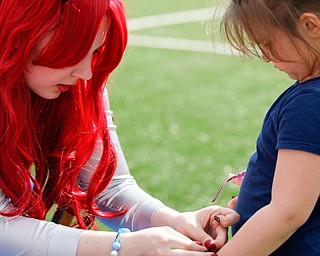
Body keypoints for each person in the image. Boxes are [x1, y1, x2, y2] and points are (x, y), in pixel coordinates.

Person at [0, 0, 240, 255]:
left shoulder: (80, 87)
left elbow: (109, 186)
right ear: (24, 32)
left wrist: (174, 221)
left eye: (95, 52)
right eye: (75, 50)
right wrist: (121, 247)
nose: (86, 73)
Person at [213, 0, 320, 255]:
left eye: (268, 44)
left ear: (310, 25)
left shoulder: (309, 103)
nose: (264, 56)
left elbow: (287, 213)